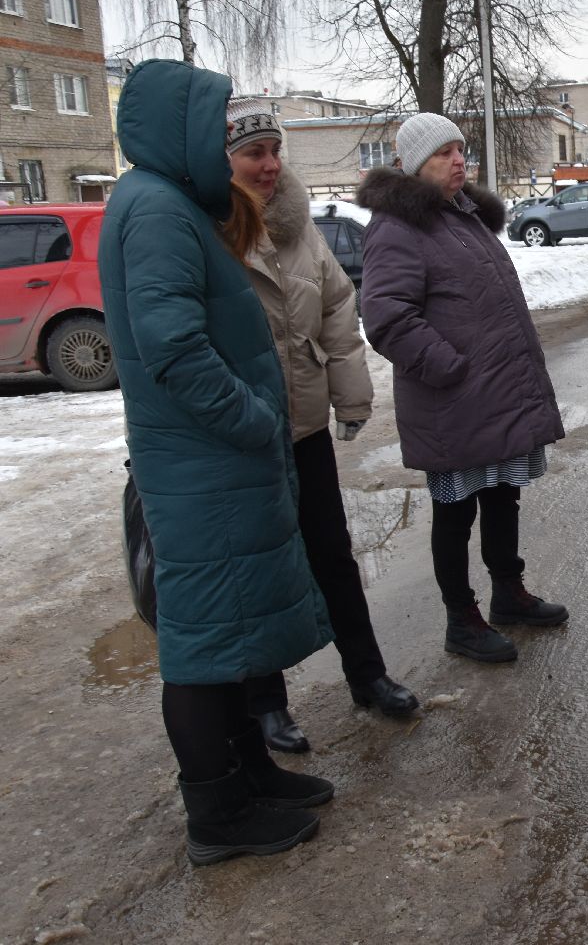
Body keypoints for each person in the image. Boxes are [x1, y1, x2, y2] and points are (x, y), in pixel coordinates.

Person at [99, 59, 335, 864]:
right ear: (178, 130)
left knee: (228, 635)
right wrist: (254, 417)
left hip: (216, 464)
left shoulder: (170, 202)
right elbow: (172, 349)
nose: (220, 136)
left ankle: (253, 775)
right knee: (201, 649)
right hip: (200, 465)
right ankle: (217, 816)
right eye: (209, 122)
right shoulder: (155, 210)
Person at [222, 99, 420, 753]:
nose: (271, 163)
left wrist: (350, 395)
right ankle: (266, 704)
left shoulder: (298, 226)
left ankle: (368, 677)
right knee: (262, 571)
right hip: (245, 437)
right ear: (224, 161)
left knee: (333, 556)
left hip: (301, 427)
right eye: (255, 153)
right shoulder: (212, 230)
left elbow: (338, 305)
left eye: (275, 150)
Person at [357, 113, 568, 664]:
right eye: (443, 153)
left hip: (493, 396)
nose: (459, 160)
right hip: (452, 401)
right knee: (455, 513)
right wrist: (449, 368)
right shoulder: (398, 226)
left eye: (460, 149)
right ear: (411, 163)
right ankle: (461, 620)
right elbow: (386, 317)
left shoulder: (462, 216)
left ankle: (509, 594)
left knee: (503, 496)